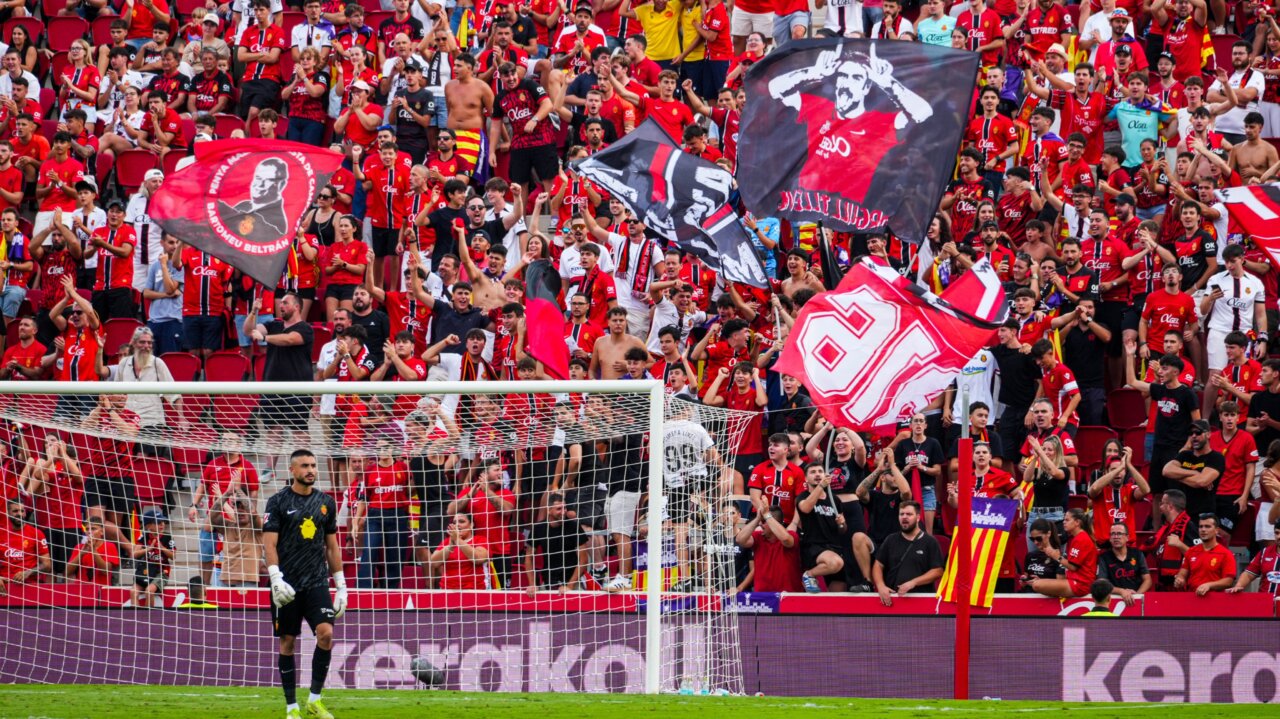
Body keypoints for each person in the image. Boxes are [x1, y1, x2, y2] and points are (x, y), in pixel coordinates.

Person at [263, 449, 346, 719]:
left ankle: (314, 700)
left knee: (326, 634)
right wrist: (275, 578)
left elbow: (332, 546)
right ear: (292, 470)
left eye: (313, 465)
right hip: (286, 585)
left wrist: (341, 585)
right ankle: (291, 707)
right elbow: (269, 544)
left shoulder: (326, 502)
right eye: (304, 466)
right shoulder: (277, 502)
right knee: (287, 642)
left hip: (316, 582)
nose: (311, 469)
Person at [872, 501, 944, 607]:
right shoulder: (890, 540)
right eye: (901, 514)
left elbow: (938, 571)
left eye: (909, 514)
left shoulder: (930, 541)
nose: (904, 517)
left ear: (918, 517)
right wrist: (881, 586)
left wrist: (913, 582)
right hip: (892, 601)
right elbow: (878, 565)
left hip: (922, 601)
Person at [796, 464, 847, 593]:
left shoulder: (834, 499)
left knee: (838, 593)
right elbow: (806, 508)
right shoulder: (802, 496)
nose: (818, 474)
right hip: (814, 546)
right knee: (836, 563)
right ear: (806, 479)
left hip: (835, 546)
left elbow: (843, 530)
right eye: (813, 472)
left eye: (820, 471)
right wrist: (820, 487)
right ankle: (809, 574)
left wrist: (841, 523)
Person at [523, 492, 586, 594]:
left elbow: (583, 560)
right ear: (549, 510)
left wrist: (569, 586)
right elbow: (528, 557)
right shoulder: (538, 528)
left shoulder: (574, 526)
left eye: (564, 508)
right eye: (559, 509)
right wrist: (532, 584)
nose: (563, 512)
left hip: (573, 582)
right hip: (548, 582)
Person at [1162, 419, 1225, 520]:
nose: (1194, 436)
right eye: (1191, 433)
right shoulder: (1184, 455)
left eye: (1198, 432)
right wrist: (1194, 472)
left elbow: (1201, 482)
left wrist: (1177, 476)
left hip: (1203, 516)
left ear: (1208, 434)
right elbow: (1166, 470)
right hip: (1182, 514)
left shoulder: (1216, 457)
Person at [1027, 508, 1096, 598]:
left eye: (1067, 520)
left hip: (1081, 584)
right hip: (1073, 580)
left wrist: (1057, 557)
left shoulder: (1081, 538)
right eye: (1064, 519)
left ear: (1077, 522)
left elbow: (1073, 567)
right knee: (1036, 583)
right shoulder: (1075, 537)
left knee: (1037, 585)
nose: (1064, 522)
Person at [734, 506, 801, 592]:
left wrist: (767, 515)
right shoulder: (758, 537)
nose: (760, 524)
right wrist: (758, 518)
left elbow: (785, 539)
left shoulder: (791, 535)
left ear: (774, 522)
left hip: (788, 597)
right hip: (763, 598)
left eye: (764, 521)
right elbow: (739, 539)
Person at [1174, 513, 1236, 595]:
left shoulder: (1226, 554)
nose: (1203, 530)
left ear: (1216, 530)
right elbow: (1182, 573)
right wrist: (1179, 579)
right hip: (1192, 598)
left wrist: (1209, 585)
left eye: (1207, 526)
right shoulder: (1191, 551)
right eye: (1201, 526)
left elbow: (1229, 581)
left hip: (1215, 601)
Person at [129, 508, 175, 608]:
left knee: (149, 591)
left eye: (163, 521)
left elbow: (173, 556)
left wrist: (162, 548)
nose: (162, 524)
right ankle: (135, 618)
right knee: (133, 592)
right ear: (149, 526)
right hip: (145, 571)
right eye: (158, 522)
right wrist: (148, 549)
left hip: (161, 572)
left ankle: (148, 619)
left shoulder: (167, 537)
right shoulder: (144, 537)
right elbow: (134, 554)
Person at [1097, 522, 1152, 605]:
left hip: (1136, 599)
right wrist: (1121, 591)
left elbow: (1148, 580)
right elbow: (1102, 584)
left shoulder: (1137, 554)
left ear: (1127, 537)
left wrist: (1136, 596)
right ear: (1110, 538)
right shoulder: (1104, 558)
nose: (1116, 537)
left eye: (1119, 534)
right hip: (1113, 601)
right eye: (1113, 534)